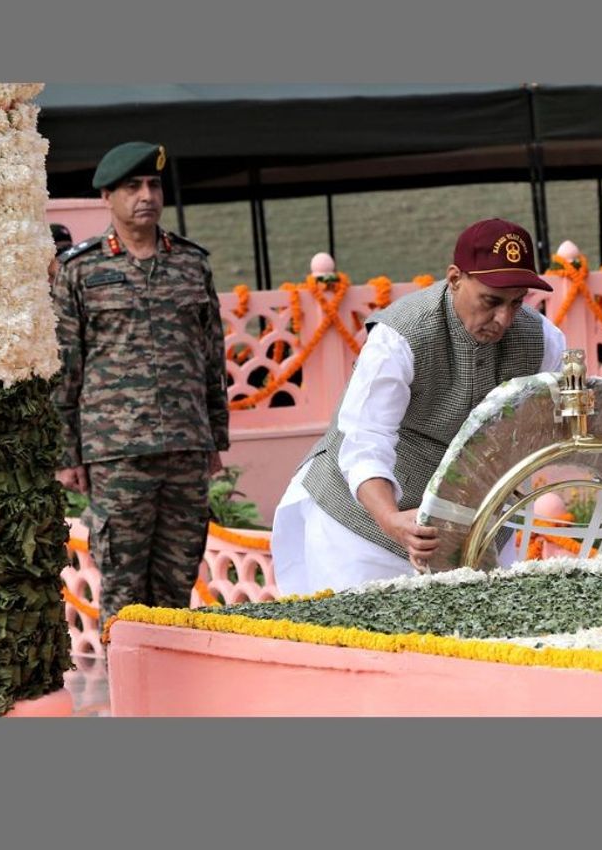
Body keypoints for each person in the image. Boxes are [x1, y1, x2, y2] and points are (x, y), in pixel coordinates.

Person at [271, 218, 566, 593]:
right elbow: (365, 438)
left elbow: (550, 421)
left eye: (516, 302)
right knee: (361, 642)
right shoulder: (400, 335)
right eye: (491, 301)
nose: (504, 319)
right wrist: (390, 518)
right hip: (361, 531)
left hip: (474, 531)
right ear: (456, 278)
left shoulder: (543, 340)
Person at [51, 141, 229, 638]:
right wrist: (69, 454)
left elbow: (212, 357)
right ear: (107, 196)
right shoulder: (81, 270)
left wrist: (215, 438)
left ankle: (173, 699)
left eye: (152, 185)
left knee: (176, 586)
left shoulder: (191, 264)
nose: (146, 195)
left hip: (187, 446)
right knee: (124, 587)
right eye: (132, 187)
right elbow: (68, 366)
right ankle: (129, 701)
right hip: (117, 452)